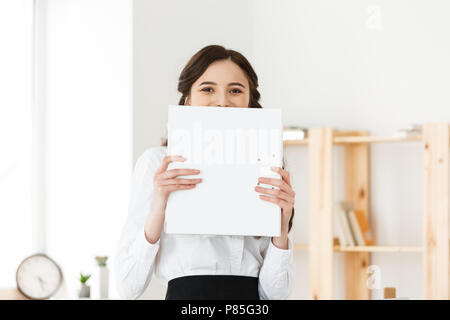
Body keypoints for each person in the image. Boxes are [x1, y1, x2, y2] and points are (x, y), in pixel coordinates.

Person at [114, 45, 296, 300]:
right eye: (208, 89)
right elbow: (127, 288)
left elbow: (276, 295)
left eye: (235, 90)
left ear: (249, 103)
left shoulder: (268, 165)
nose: (222, 101)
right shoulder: (157, 164)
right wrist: (159, 208)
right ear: (188, 99)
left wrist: (282, 226)